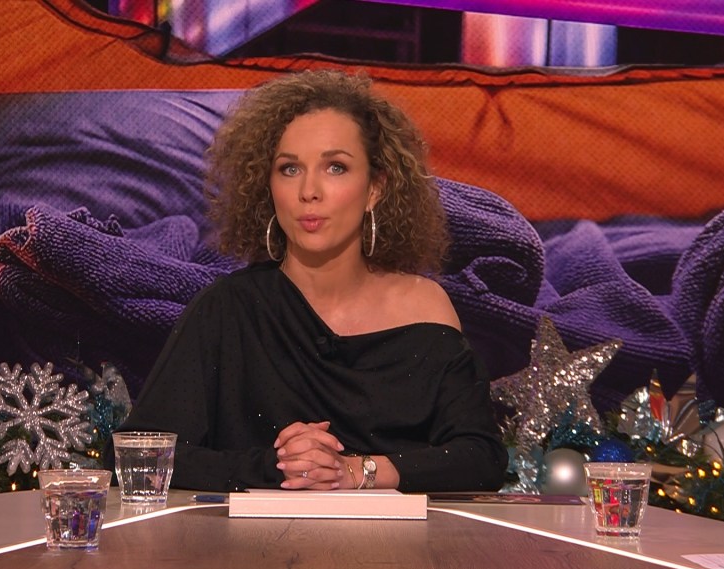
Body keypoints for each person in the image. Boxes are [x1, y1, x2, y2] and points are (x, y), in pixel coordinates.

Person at [116, 69, 508, 493]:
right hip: (256, 537)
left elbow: (480, 458)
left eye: (335, 167)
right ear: (267, 186)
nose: (309, 191)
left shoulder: (425, 307)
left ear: (375, 188)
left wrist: (356, 471)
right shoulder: (228, 310)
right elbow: (141, 455)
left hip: (392, 536)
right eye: (289, 169)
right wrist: (280, 467)